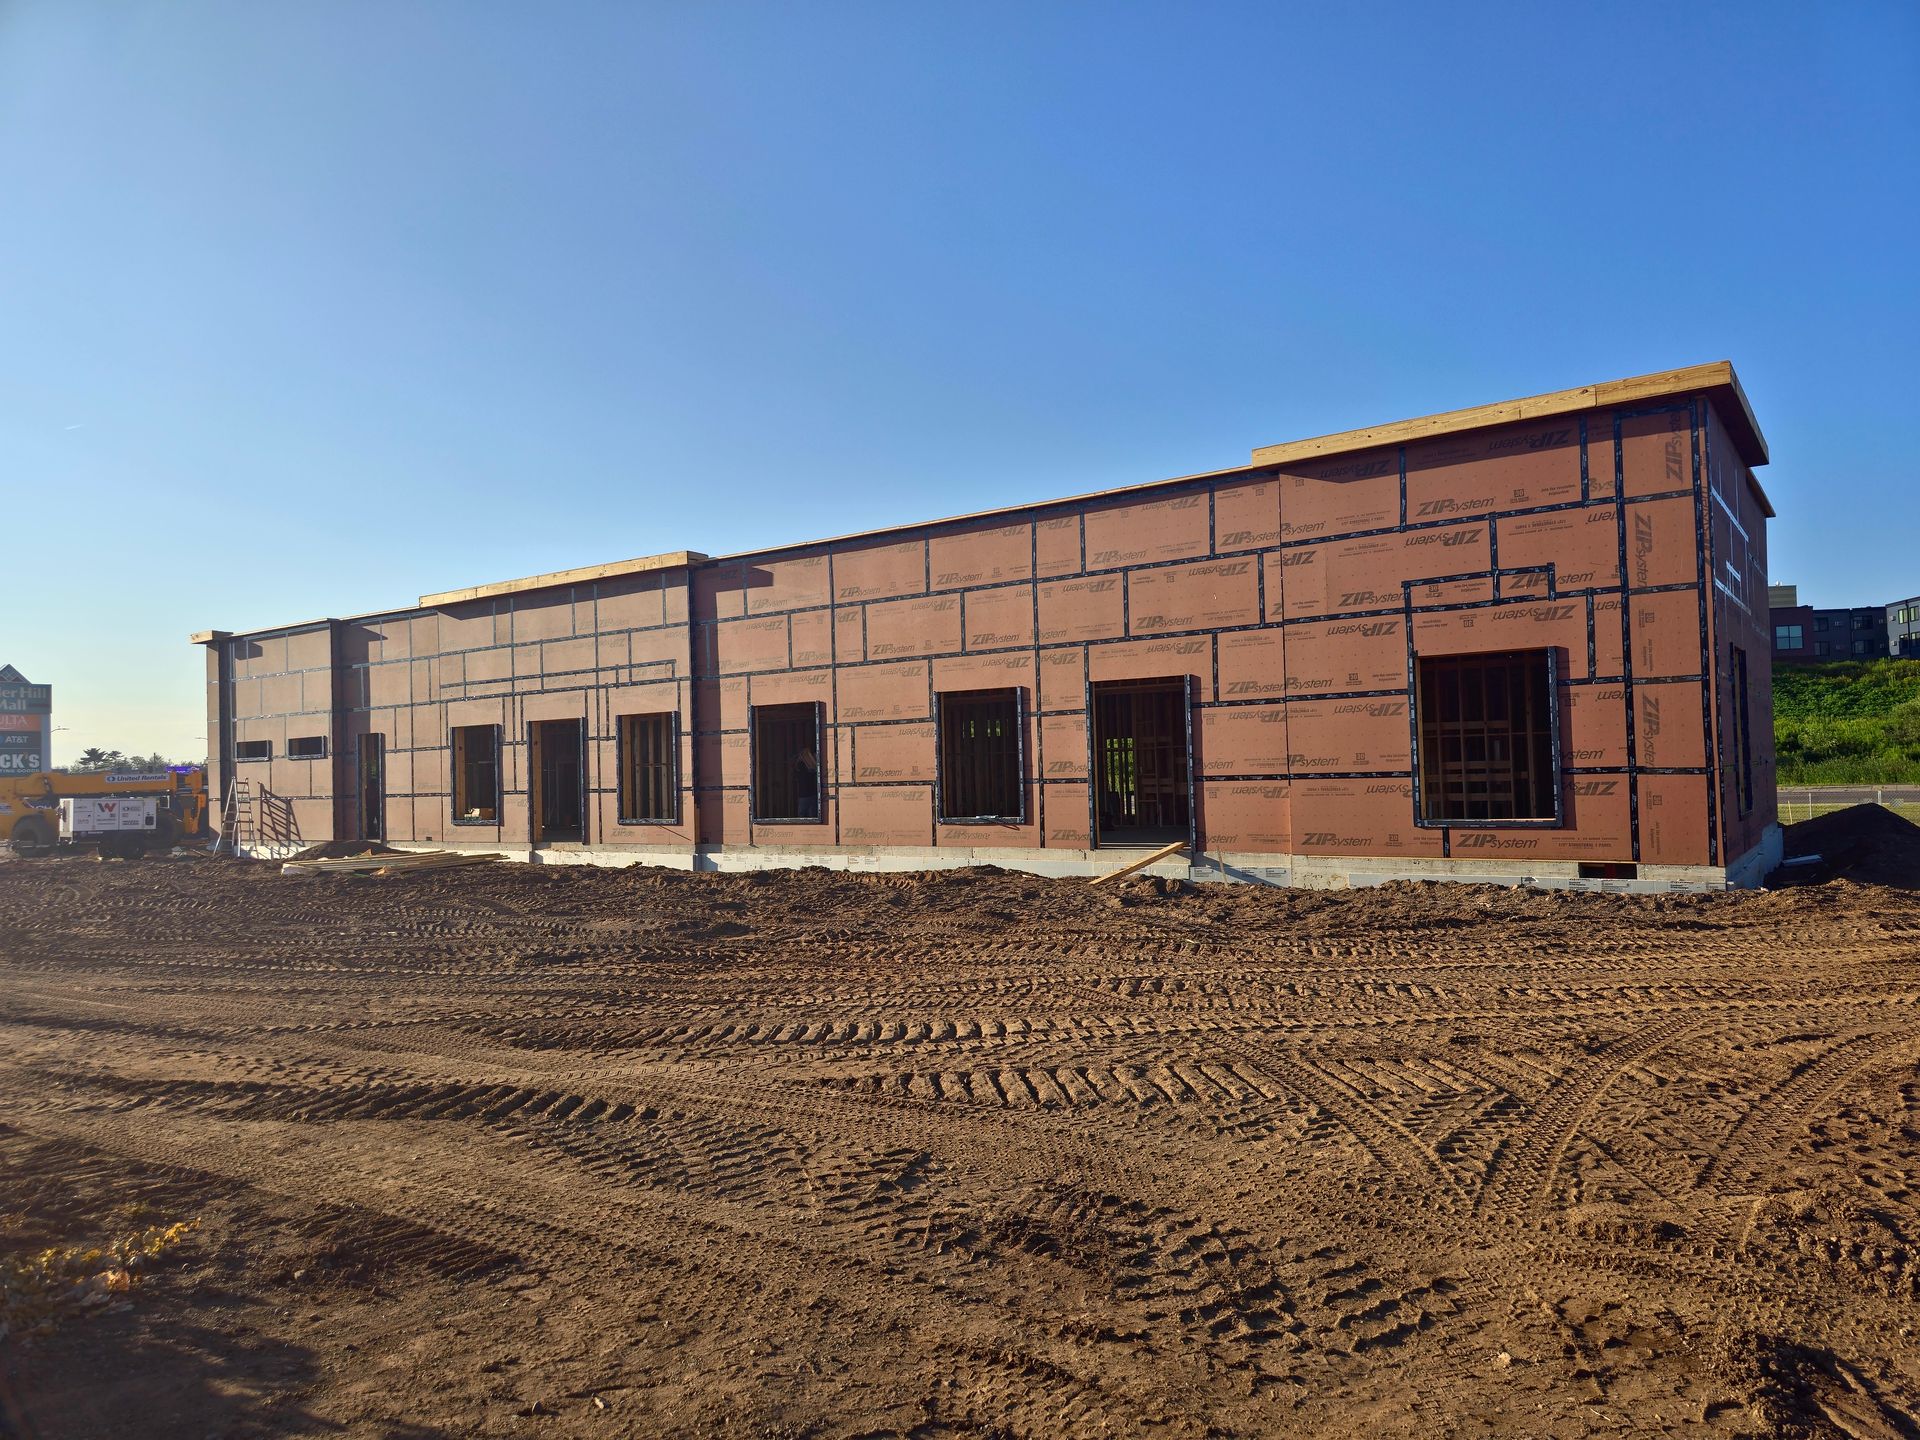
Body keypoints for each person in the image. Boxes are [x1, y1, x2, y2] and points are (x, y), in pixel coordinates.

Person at [794, 745, 819, 819]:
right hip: (807, 795)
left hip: (807, 795)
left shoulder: (807, 765)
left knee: (807, 815)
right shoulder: (802, 765)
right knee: (808, 815)